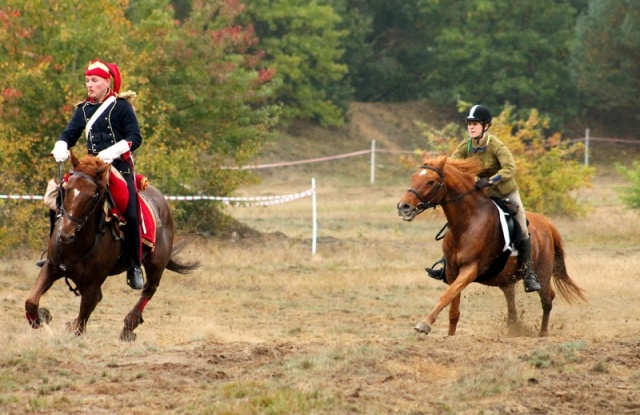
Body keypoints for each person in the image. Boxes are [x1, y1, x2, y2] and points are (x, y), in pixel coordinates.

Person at [45, 59, 144, 290]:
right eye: (87, 80)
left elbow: (134, 137)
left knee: (129, 208)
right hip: (90, 168)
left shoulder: (121, 106)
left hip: (119, 166)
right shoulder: (83, 109)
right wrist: (61, 145)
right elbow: (69, 133)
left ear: (106, 82)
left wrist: (114, 151)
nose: (89, 85)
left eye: (94, 81)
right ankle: (53, 255)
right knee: (58, 199)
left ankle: (134, 264)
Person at [425, 104, 541, 293]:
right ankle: (447, 267)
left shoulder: (495, 145)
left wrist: (489, 180)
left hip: (505, 192)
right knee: (457, 224)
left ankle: (528, 273)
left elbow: (510, 169)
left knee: (522, 226)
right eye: (469, 124)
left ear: (486, 126)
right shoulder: (466, 146)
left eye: (475, 124)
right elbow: (452, 167)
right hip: (480, 195)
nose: (471, 127)